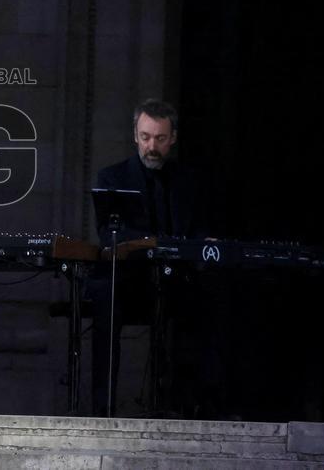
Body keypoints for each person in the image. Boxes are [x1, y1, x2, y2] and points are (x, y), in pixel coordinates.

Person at [89, 99, 213, 417]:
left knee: (210, 299)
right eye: (145, 137)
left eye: (159, 138)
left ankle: (190, 407)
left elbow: (199, 233)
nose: (151, 147)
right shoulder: (112, 178)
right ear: (135, 136)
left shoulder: (190, 182)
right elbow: (108, 236)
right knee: (106, 295)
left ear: (172, 139)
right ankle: (102, 408)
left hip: (175, 279)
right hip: (131, 280)